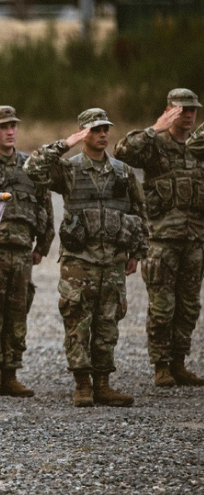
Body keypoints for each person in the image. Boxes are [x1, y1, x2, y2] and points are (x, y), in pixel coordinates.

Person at [24, 108, 148, 407]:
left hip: (113, 258)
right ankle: (82, 384)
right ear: (83, 134)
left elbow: (138, 211)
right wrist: (64, 145)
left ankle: (103, 383)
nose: (103, 134)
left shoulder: (122, 171)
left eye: (105, 129)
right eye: (95, 130)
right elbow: (32, 169)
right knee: (77, 321)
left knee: (108, 323)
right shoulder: (69, 170)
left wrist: (138, 252)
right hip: (79, 261)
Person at [114, 88, 204, 387]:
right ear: (169, 111)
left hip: (193, 241)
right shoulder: (155, 146)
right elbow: (122, 152)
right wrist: (155, 129)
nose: (188, 115)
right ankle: (161, 366)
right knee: (162, 307)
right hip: (162, 241)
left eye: (193, 110)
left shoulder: (197, 149)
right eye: (182, 110)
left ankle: (180, 363)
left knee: (189, 307)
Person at [0, 106, 55, 398]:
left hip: (22, 250)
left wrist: (43, 244)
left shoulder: (29, 164)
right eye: (3, 126)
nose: (10, 131)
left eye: (13, 126)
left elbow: (43, 202)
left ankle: (11, 373)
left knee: (17, 312)